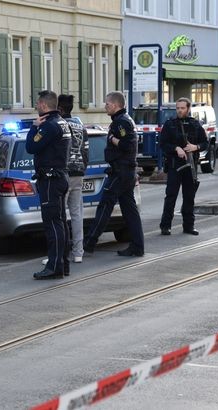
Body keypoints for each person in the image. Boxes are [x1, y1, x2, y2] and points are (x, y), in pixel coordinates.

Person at [83, 91, 144, 257]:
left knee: (105, 206)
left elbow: (128, 144)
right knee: (129, 210)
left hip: (121, 171)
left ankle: (89, 243)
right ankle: (137, 246)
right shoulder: (122, 120)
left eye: (107, 104)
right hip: (124, 171)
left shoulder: (121, 122)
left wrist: (111, 140)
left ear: (116, 105)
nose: (105, 107)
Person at [26, 90, 72, 280]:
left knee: (53, 224)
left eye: (37, 104)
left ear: (44, 105)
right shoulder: (62, 122)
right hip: (60, 176)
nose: (36, 107)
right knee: (60, 222)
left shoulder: (49, 126)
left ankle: (54, 266)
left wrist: (33, 128)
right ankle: (63, 263)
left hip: (51, 179)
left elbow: (31, 147)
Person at [159, 97, 208, 236]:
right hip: (175, 166)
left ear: (188, 109)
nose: (180, 110)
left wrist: (195, 147)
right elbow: (163, 144)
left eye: (182, 108)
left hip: (190, 166)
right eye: (178, 108)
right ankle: (165, 226)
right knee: (171, 196)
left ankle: (189, 226)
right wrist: (176, 148)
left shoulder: (195, 124)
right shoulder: (170, 125)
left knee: (189, 197)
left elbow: (205, 143)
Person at [58, 94, 89, 263]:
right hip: (78, 173)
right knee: (77, 214)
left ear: (60, 109)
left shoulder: (59, 125)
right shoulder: (80, 125)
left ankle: (61, 252)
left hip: (63, 173)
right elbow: (85, 150)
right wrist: (82, 167)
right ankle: (78, 252)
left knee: (60, 215)